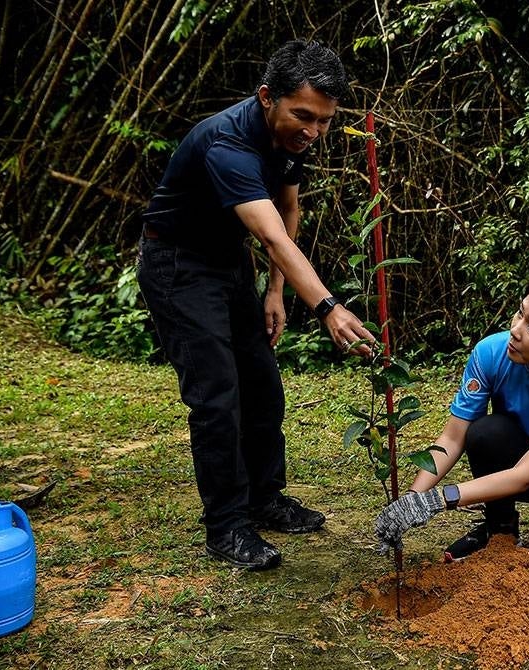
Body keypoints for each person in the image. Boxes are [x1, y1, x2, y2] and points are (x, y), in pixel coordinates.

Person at [137, 40, 374, 571]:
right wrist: (328, 307)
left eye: (325, 121)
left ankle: (265, 498)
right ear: (267, 97)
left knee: (262, 386)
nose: (313, 131)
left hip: (227, 264)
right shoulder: (228, 143)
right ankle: (226, 526)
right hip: (176, 264)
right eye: (303, 116)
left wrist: (274, 292)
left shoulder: (290, 142)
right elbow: (274, 238)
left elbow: (288, 208)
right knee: (217, 395)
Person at [374, 274, 529, 574]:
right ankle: (500, 527)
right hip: (516, 452)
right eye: (520, 313)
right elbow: (453, 438)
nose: (514, 331)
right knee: (484, 433)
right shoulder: (490, 353)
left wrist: (438, 500)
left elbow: (525, 475)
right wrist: (412, 500)